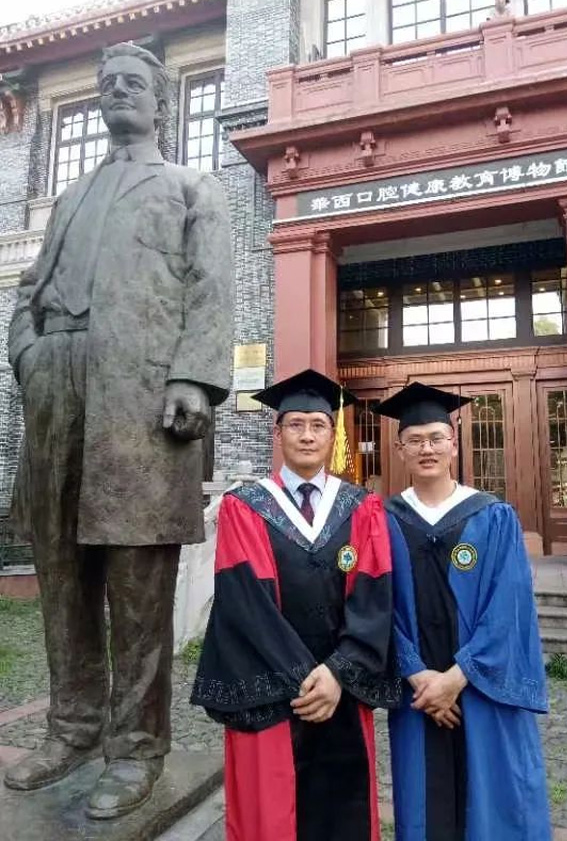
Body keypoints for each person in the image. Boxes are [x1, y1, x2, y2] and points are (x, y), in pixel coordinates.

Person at [4, 43, 233, 819]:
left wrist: (193, 378)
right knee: (62, 575)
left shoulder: (191, 187)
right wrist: (30, 355)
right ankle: (72, 726)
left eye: (133, 83)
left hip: (140, 403)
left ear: (162, 102)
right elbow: (29, 290)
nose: (115, 93)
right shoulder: (71, 197)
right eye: (106, 85)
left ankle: (136, 745)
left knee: (137, 588)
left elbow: (211, 291)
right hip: (58, 391)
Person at [191, 369, 399, 841]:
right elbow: (246, 604)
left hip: (341, 688)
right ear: (278, 432)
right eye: (296, 425)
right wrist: (308, 681)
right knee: (273, 812)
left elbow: (373, 596)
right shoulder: (246, 507)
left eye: (318, 425)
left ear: (332, 434)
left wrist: (338, 673)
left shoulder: (361, 507)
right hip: (273, 687)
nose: (307, 435)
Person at [376, 383, 551, 841]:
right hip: (418, 692)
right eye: (415, 440)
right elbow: (376, 605)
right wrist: (418, 676)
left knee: (491, 798)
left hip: (479, 688)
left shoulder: (492, 516)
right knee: (423, 801)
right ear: (400, 449)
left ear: (454, 445)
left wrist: (456, 679)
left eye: (436, 438)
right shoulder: (383, 521)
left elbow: (508, 607)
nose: (427, 449)